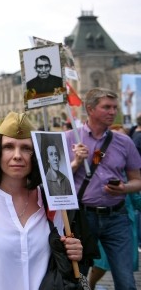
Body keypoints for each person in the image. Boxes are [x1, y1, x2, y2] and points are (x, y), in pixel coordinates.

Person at [0, 112, 83, 289]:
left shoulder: (51, 200)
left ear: (36, 155)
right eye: (9, 147)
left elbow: (56, 258)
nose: (18, 155)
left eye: (26, 148)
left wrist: (71, 250)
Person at [66, 88, 141, 289]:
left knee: (126, 280)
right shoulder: (69, 138)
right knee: (77, 277)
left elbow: (138, 181)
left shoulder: (124, 141)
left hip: (116, 217)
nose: (112, 112)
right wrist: (76, 162)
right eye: (106, 107)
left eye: (114, 107)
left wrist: (124, 188)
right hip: (82, 216)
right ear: (90, 109)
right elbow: (56, 180)